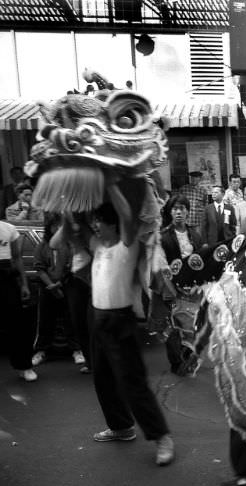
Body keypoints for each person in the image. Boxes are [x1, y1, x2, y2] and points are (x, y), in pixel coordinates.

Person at [88, 188, 174, 466]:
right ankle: (121, 426)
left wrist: (113, 182)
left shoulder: (127, 244)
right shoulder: (96, 245)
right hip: (98, 319)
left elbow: (126, 216)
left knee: (132, 383)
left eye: (100, 220)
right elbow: (57, 242)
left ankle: (162, 437)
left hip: (120, 321)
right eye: (94, 221)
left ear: (114, 223)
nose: (95, 225)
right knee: (102, 377)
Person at [31, 213, 85, 370]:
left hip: (67, 285)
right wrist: (51, 286)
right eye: (55, 226)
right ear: (49, 228)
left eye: (60, 226)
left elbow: (72, 266)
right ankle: (40, 351)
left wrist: (59, 284)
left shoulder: (69, 245)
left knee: (71, 318)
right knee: (45, 320)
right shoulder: (43, 245)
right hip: (47, 287)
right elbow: (39, 267)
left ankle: (77, 350)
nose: (57, 229)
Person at [160, 195, 204, 374]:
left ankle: (188, 356)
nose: (179, 212)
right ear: (170, 212)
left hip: (192, 288)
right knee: (173, 325)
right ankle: (176, 362)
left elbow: (201, 260)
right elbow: (161, 265)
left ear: (187, 212)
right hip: (171, 287)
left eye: (182, 209)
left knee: (191, 324)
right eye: (175, 209)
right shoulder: (163, 237)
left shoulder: (195, 234)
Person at [50, 211, 94, 374]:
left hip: (95, 278)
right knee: (79, 322)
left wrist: (79, 226)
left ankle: (100, 362)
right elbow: (54, 244)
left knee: (94, 323)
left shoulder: (91, 224)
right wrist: (68, 222)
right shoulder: (68, 226)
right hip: (75, 280)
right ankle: (90, 362)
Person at [0, 219, 35, 381]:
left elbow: (17, 258)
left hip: (6, 278)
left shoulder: (9, 229)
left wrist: (24, 284)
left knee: (18, 324)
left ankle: (24, 366)